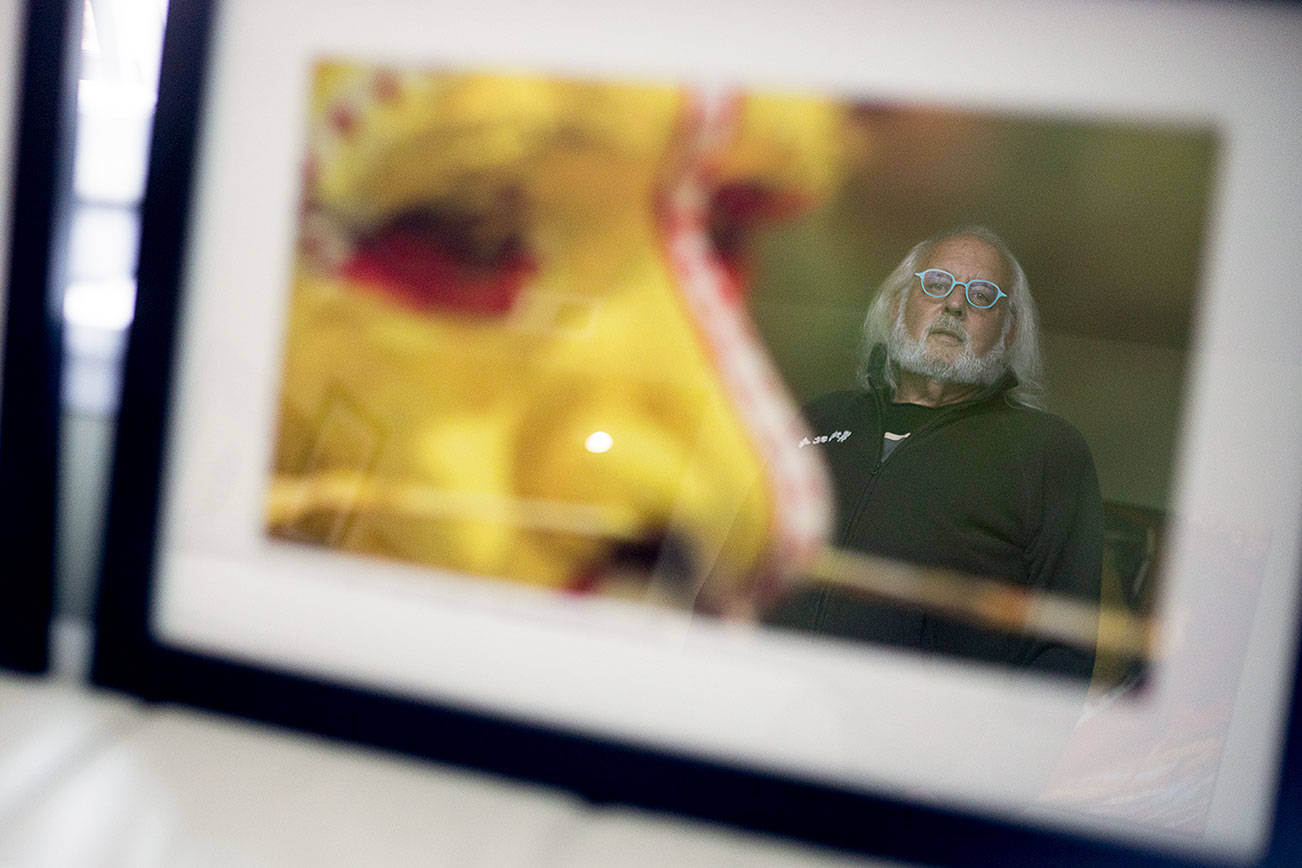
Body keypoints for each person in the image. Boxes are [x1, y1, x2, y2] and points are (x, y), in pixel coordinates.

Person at [770, 226, 1103, 678]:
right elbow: (732, 566)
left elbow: (1064, 649)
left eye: (983, 294)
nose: (955, 304)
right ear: (895, 308)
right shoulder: (818, 419)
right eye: (936, 284)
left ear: (1009, 332)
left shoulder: (1047, 453)